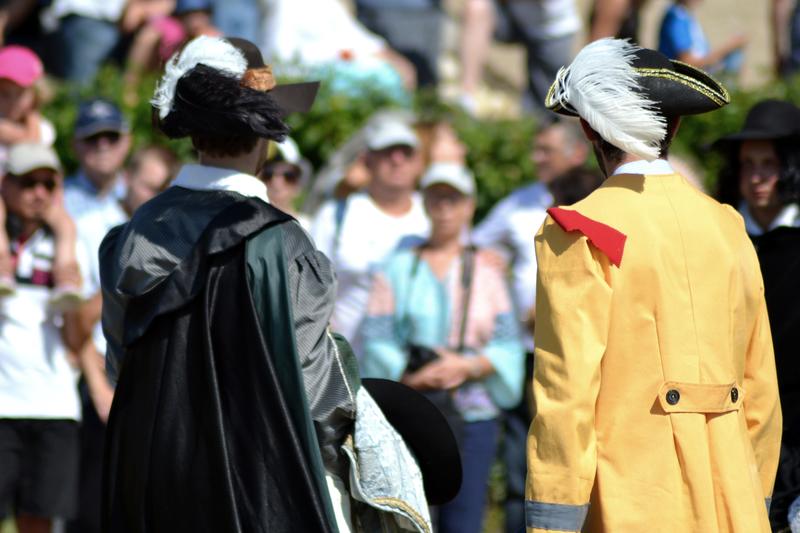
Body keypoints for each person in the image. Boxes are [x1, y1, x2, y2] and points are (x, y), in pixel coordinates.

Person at [98, 35, 447, 532]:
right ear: (264, 136)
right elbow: (319, 395)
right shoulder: (281, 244)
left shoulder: (129, 237)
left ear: (193, 136)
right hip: (257, 483)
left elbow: (121, 364)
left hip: (153, 480)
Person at [526, 38, 781, 532]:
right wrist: (755, 499)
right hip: (737, 507)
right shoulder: (727, 225)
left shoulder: (578, 229)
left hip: (628, 508)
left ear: (587, 128)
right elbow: (761, 390)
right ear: (676, 125)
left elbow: (566, 396)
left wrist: (550, 522)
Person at [360, 161, 524, 533]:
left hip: (472, 412)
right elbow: (378, 336)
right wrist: (412, 375)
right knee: (408, 519)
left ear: (470, 206)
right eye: (437, 198)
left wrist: (467, 367)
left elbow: (507, 344)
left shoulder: (488, 270)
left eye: (455, 199)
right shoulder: (398, 266)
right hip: (411, 408)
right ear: (426, 203)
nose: (445, 208)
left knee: (465, 518)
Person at [471, 116, 589, 533]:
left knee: (572, 452)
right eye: (536, 149)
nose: (537, 158)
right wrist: (495, 270)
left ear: (576, 152)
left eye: (546, 150)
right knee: (525, 456)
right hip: (526, 349)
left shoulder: (593, 198)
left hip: (578, 350)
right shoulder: (521, 202)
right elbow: (475, 245)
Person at [65, 144, 178, 533]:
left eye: (163, 188)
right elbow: (76, 319)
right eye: (148, 186)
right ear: (127, 180)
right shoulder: (100, 229)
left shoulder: (171, 236)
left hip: (147, 382)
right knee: (90, 507)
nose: (154, 197)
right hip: (98, 375)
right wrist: (98, 386)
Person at [712, 99, 800, 531]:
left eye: (770, 163)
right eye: (749, 164)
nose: (758, 176)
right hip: (736, 420)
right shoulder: (721, 236)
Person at [0, 143, 89, 533]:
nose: (38, 193)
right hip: (3, 405)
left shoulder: (71, 245)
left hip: (54, 405)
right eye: (27, 183)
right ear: (6, 186)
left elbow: (75, 341)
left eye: (47, 184)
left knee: (38, 520)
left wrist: (72, 303)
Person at [311, 116, 430, 358]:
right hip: (345, 363)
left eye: (406, 152)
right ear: (367, 160)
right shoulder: (335, 215)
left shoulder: (434, 217)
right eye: (387, 151)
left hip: (416, 368)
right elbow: (310, 289)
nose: (397, 160)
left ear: (419, 163)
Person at [458, 0, 579, 115]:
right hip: (513, 16)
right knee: (477, 8)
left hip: (551, 32)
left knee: (544, 116)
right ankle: (465, 99)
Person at [64, 99, 132, 222]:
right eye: (92, 137)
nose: (103, 145)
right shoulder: (58, 200)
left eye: (112, 136)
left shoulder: (141, 193)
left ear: (127, 141)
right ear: (74, 145)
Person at [658, 0, 747, 72]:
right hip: (685, 78)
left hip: (697, 72)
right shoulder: (677, 18)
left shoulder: (685, 15)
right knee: (734, 56)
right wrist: (728, 47)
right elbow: (688, 63)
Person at [259, 136, 312, 230]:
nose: (276, 182)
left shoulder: (310, 229)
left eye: (288, 176)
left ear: (298, 184)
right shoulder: (243, 221)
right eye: (268, 173)